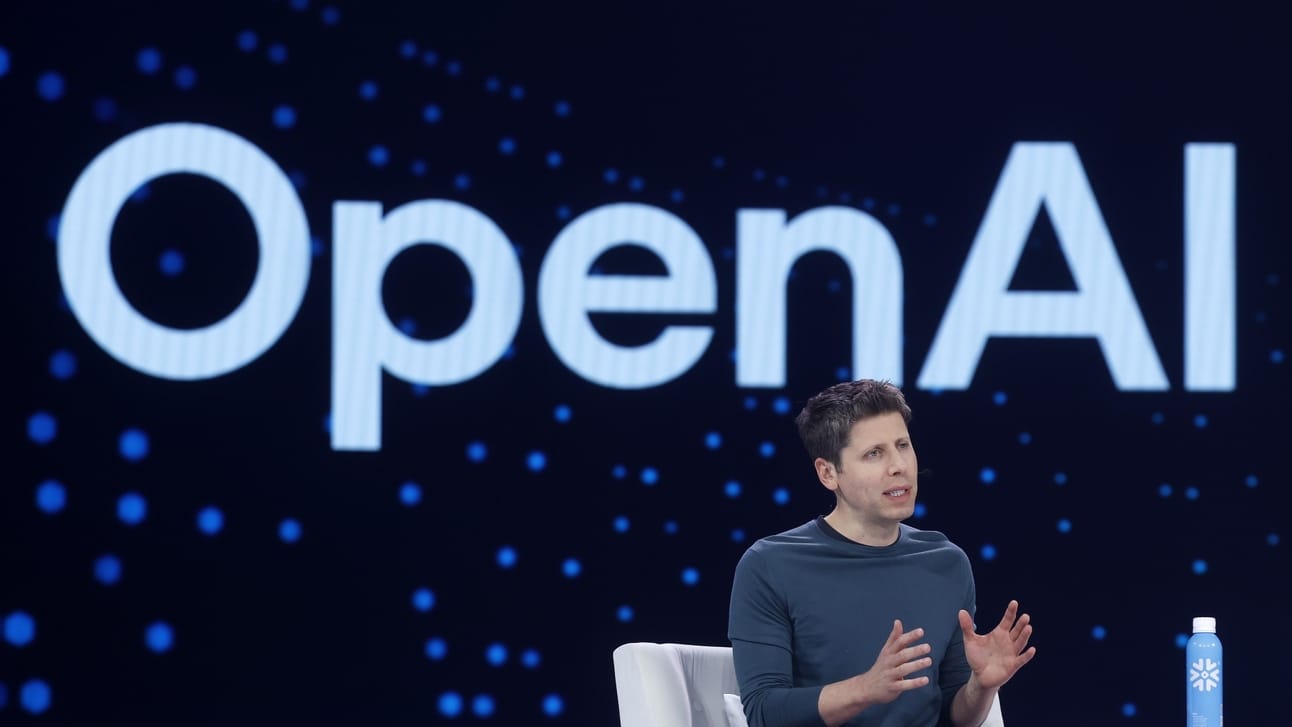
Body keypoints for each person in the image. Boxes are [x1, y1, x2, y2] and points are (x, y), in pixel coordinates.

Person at [728, 379, 1035, 727]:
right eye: (874, 453)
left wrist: (981, 686)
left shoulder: (947, 563)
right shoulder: (770, 565)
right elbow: (764, 712)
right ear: (828, 473)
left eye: (902, 445)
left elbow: (953, 718)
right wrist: (865, 689)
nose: (898, 466)